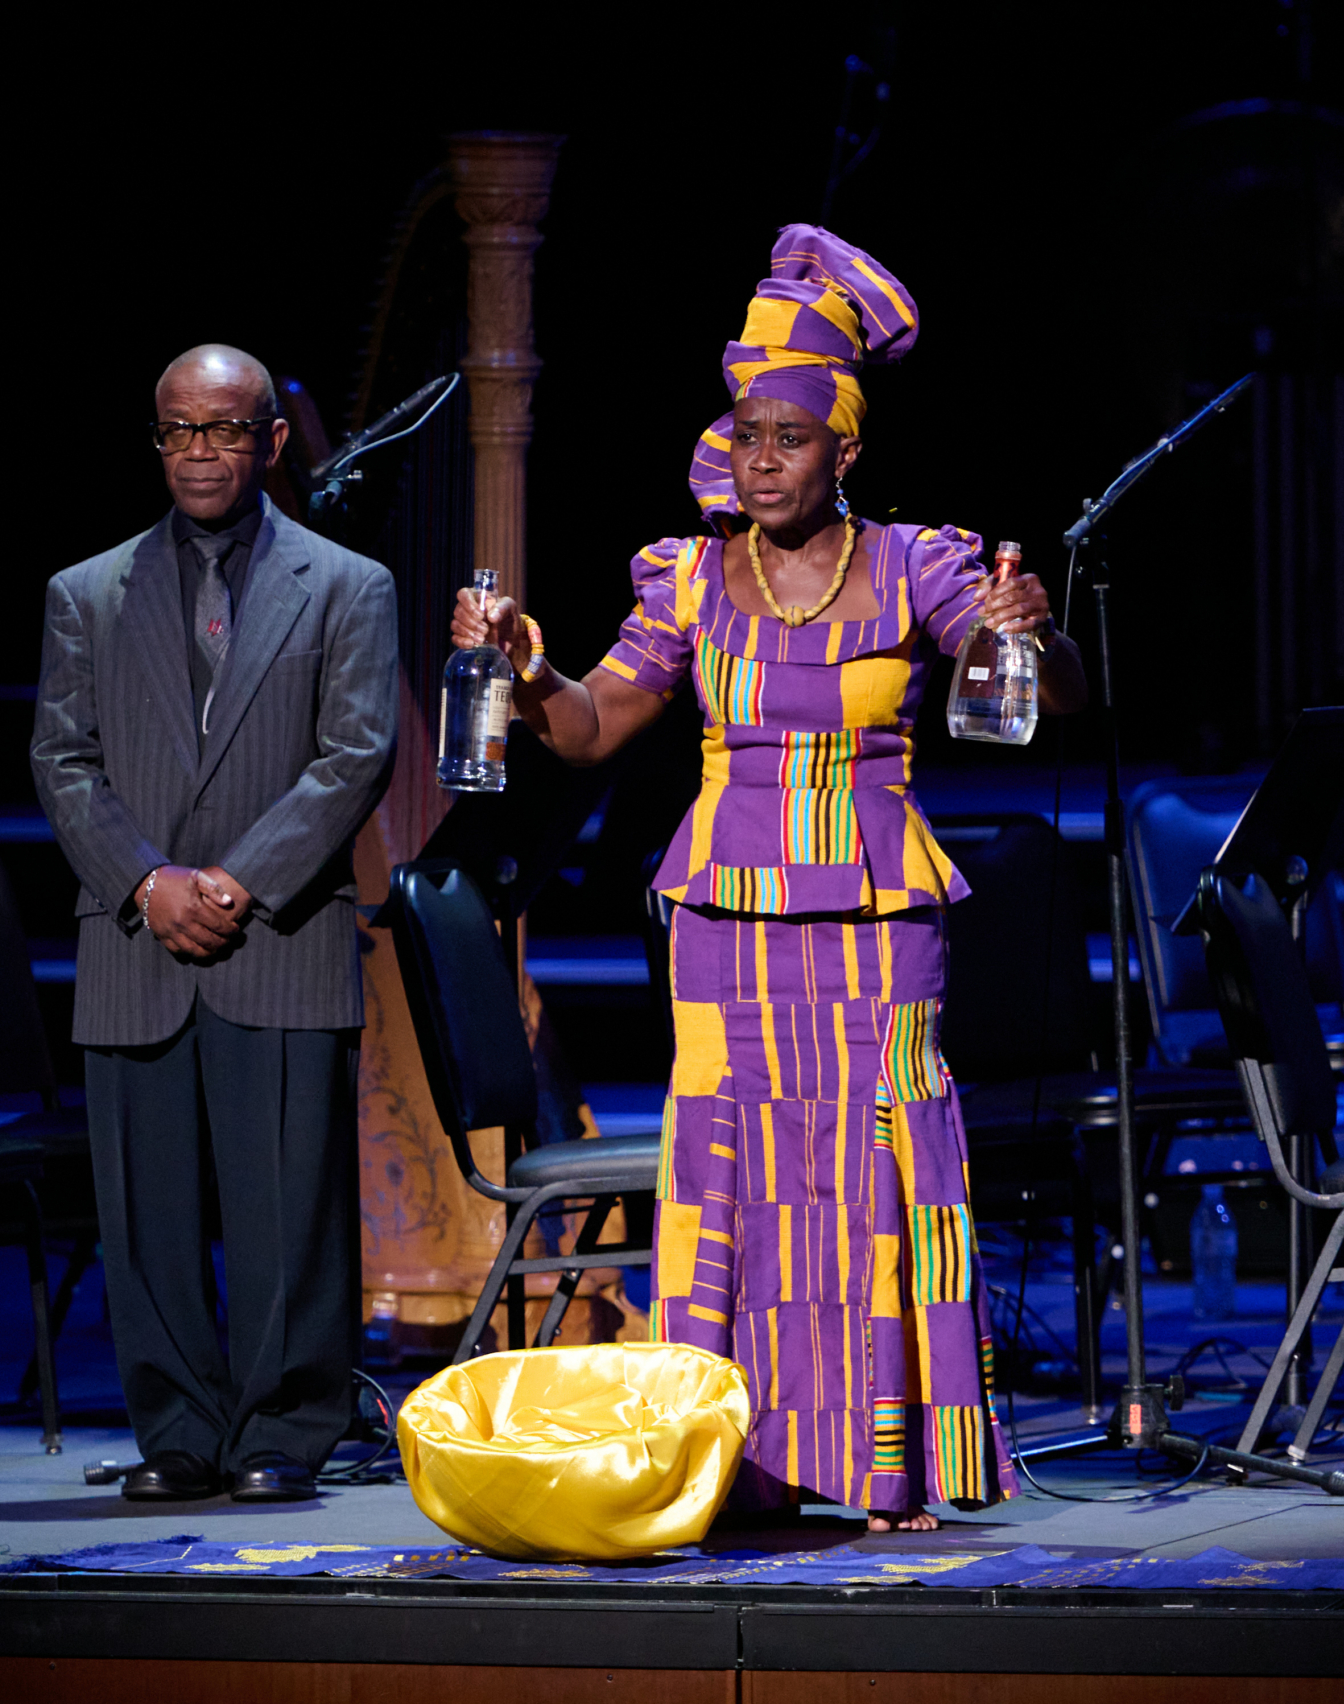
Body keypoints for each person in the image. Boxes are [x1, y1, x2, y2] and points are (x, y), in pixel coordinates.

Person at [447, 226, 1086, 1531]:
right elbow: (586, 728)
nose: (764, 458)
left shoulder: (921, 564)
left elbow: (1040, 700)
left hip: (873, 917)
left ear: (846, 450)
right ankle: (724, 1463)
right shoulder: (686, 580)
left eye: (790, 438)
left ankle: (885, 1462)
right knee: (729, 1179)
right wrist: (524, 666)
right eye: (747, 435)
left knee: (872, 1178)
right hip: (724, 924)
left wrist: (1040, 638)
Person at [32, 343, 398, 1502]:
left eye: (226, 428)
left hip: (276, 933)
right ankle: (179, 1430)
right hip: (135, 933)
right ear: (157, 440)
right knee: (146, 1206)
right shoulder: (86, 591)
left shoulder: (348, 584)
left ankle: (284, 1429)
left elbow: (354, 754)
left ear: (271, 440)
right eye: (180, 430)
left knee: (287, 1198)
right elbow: (62, 757)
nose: (201, 450)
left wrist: (236, 881)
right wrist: (148, 881)